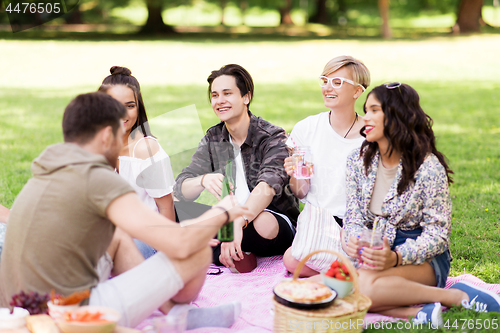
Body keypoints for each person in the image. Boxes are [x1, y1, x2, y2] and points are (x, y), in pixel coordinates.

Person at [0, 92, 248, 328]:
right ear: (107, 135)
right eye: (120, 136)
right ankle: (177, 313)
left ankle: (175, 313)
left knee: (116, 235)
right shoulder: (96, 178)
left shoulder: (48, 168)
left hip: (17, 308)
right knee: (197, 252)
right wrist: (223, 213)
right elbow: (182, 244)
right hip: (62, 317)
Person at [342, 83, 500, 327]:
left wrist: (395, 257)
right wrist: (354, 240)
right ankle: (419, 314)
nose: (366, 117)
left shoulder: (427, 167)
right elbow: (352, 217)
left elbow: (437, 235)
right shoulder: (358, 161)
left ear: (396, 115)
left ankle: (454, 295)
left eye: (374, 110)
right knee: (339, 290)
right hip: (374, 250)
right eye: (366, 110)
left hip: (419, 255)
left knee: (359, 289)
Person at [174, 64, 300, 269]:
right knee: (172, 209)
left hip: (269, 220)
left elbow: (267, 187)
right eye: (214, 95)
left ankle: (214, 246)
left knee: (263, 222)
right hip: (228, 217)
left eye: (227, 93)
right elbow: (181, 187)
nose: (219, 101)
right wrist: (203, 180)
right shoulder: (214, 137)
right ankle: (238, 251)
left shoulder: (272, 137)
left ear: (246, 97)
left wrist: (238, 221)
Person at [282, 55, 370, 277]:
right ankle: (347, 275)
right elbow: (300, 191)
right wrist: (295, 173)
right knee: (291, 260)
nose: (328, 88)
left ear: (357, 91)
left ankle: (343, 274)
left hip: (356, 223)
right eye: (325, 81)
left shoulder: (371, 135)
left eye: (338, 82)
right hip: (319, 220)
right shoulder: (307, 129)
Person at [98, 66, 176, 259]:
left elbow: (166, 207)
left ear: (138, 108)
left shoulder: (146, 150)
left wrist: (169, 254)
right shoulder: (99, 148)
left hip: (148, 238)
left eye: (130, 106)